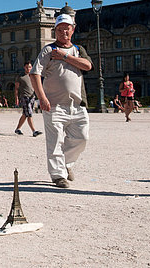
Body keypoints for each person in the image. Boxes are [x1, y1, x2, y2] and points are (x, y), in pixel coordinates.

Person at [29, 13, 93, 189]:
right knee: (55, 141)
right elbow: (35, 73)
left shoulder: (79, 50)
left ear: (73, 30)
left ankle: (66, 164)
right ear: (54, 31)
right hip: (54, 105)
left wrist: (65, 57)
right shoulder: (48, 51)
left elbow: (88, 66)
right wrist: (42, 97)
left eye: (67, 28)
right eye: (60, 29)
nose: (64, 31)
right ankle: (58, 176)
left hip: (78, 105)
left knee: (82, 138)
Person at [14, 61, 42, 137]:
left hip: (32, 97)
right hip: (24, 97)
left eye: (29, 67)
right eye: (27, 67)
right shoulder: (20, 77)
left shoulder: (33, 76)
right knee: (29, 113)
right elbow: (16, 88)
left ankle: (17, 129)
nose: (28, 68)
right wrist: (16, 98)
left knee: (25, 114)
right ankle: (34, 131)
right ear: (24, 67)